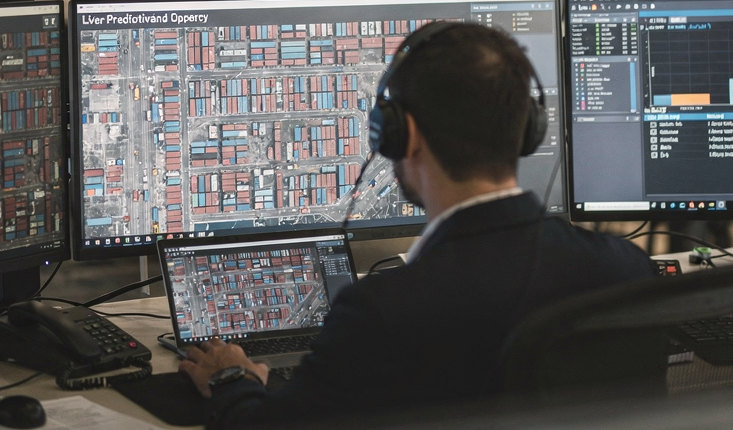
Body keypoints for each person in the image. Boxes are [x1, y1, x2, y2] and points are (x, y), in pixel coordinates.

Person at [180, 22, 654, 427]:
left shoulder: (380, 312)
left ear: (402, 136)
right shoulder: (628, 272)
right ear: (527, 129)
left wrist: (232, 379)